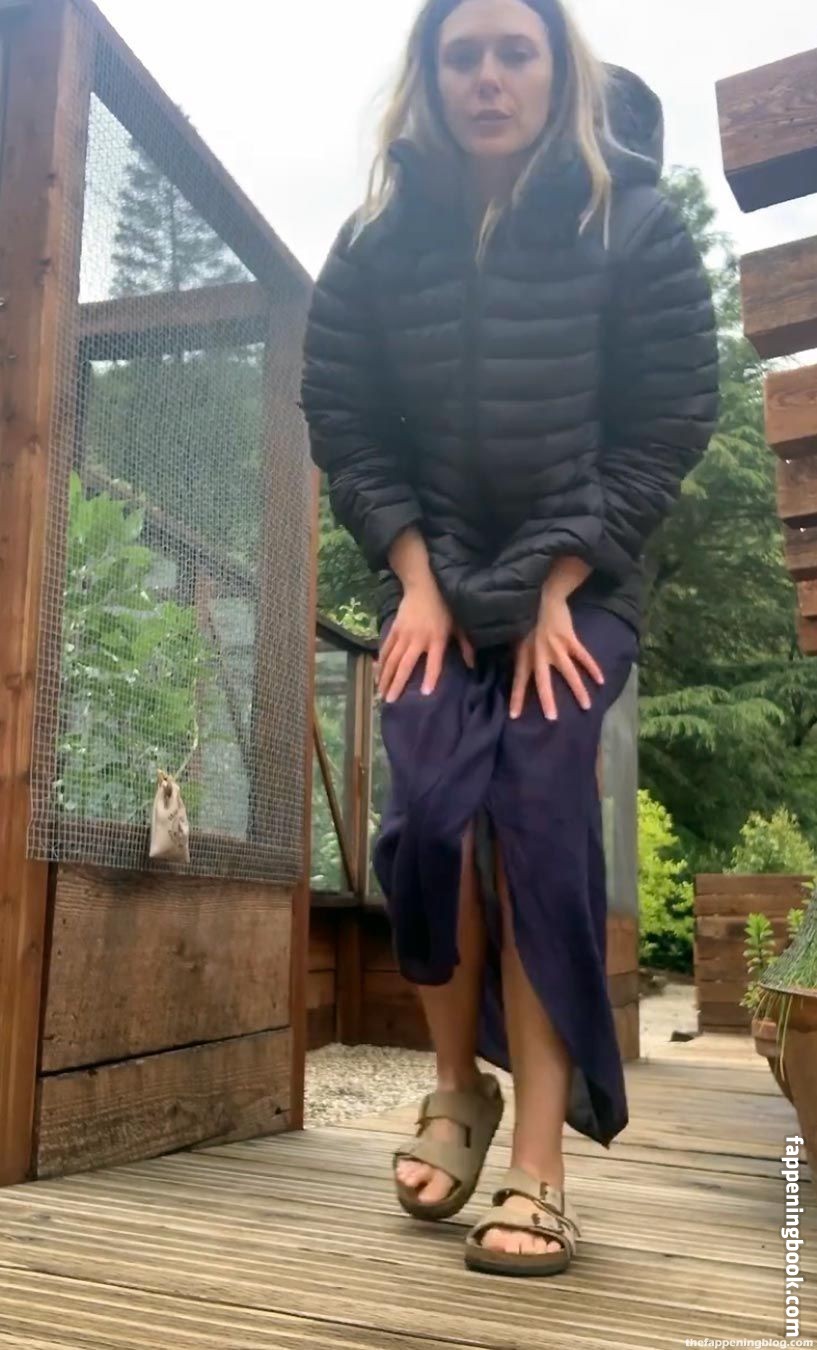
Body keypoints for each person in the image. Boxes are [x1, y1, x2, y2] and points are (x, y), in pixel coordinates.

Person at [301, 0, 718, 1278]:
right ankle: (456, 1085)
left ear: (558, 71)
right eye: (463, 53)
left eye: (515, 51)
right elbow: (345, 418)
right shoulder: (375, 240)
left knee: (536, 811)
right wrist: (413, 575)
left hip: (577, 583)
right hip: (433, 579)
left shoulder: (632, 225)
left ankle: (538, 1160)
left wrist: (558, 575)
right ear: (431, 75)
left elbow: (668, 421)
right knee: (428, 815)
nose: (488, 76)